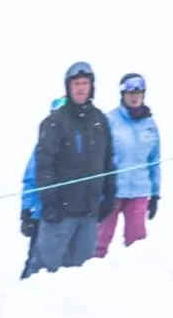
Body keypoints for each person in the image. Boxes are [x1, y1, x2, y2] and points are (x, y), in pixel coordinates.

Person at [29, 62, 115, 272]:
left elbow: (109, 161)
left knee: (81, 273)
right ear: (68, 87)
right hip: (60, 213)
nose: (81, 88)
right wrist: (49, 201)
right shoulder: (54, 122)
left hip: (89, 212)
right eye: (76, 83)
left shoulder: (100, 120)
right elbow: (43, 165)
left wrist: (109, 196)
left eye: (85, 83)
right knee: (46, 270)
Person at [96, 73, 160, 259]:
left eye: (139, 92)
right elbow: (100, 158)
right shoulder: (110, 121)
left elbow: (154, 161)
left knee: (137, 243)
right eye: (130, 92)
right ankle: (91, 277)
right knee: (100, 241)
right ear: (122, 94)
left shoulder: (149, 124)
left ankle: (137, 276)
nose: (134, 97)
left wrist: (155, 193)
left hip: (139, 190)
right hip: (113, 191)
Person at [18, 96, 64, 279]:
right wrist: (26, 211)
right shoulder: (42, 148)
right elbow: (30, 179)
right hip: (41, 214)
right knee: (36, 258)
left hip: (66, 213)